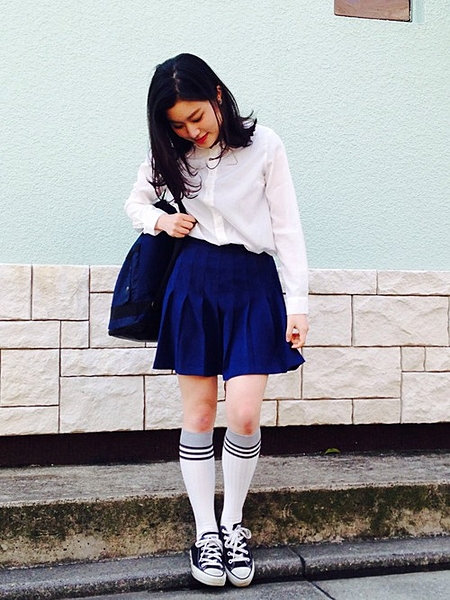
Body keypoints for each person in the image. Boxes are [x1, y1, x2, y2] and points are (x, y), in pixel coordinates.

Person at [125, 53, 309, 588]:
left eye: (197, 117)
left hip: (253, 283)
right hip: (194, 281)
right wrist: (162, 221)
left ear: (218, 97)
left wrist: (298, 302)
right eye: (178, 124)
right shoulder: (170, 154)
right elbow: (135, 204)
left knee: (244, 415)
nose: (191, 131)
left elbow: (288, 226)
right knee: (201, 414)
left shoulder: (264, 146)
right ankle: (205, 531)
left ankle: (233, 524)